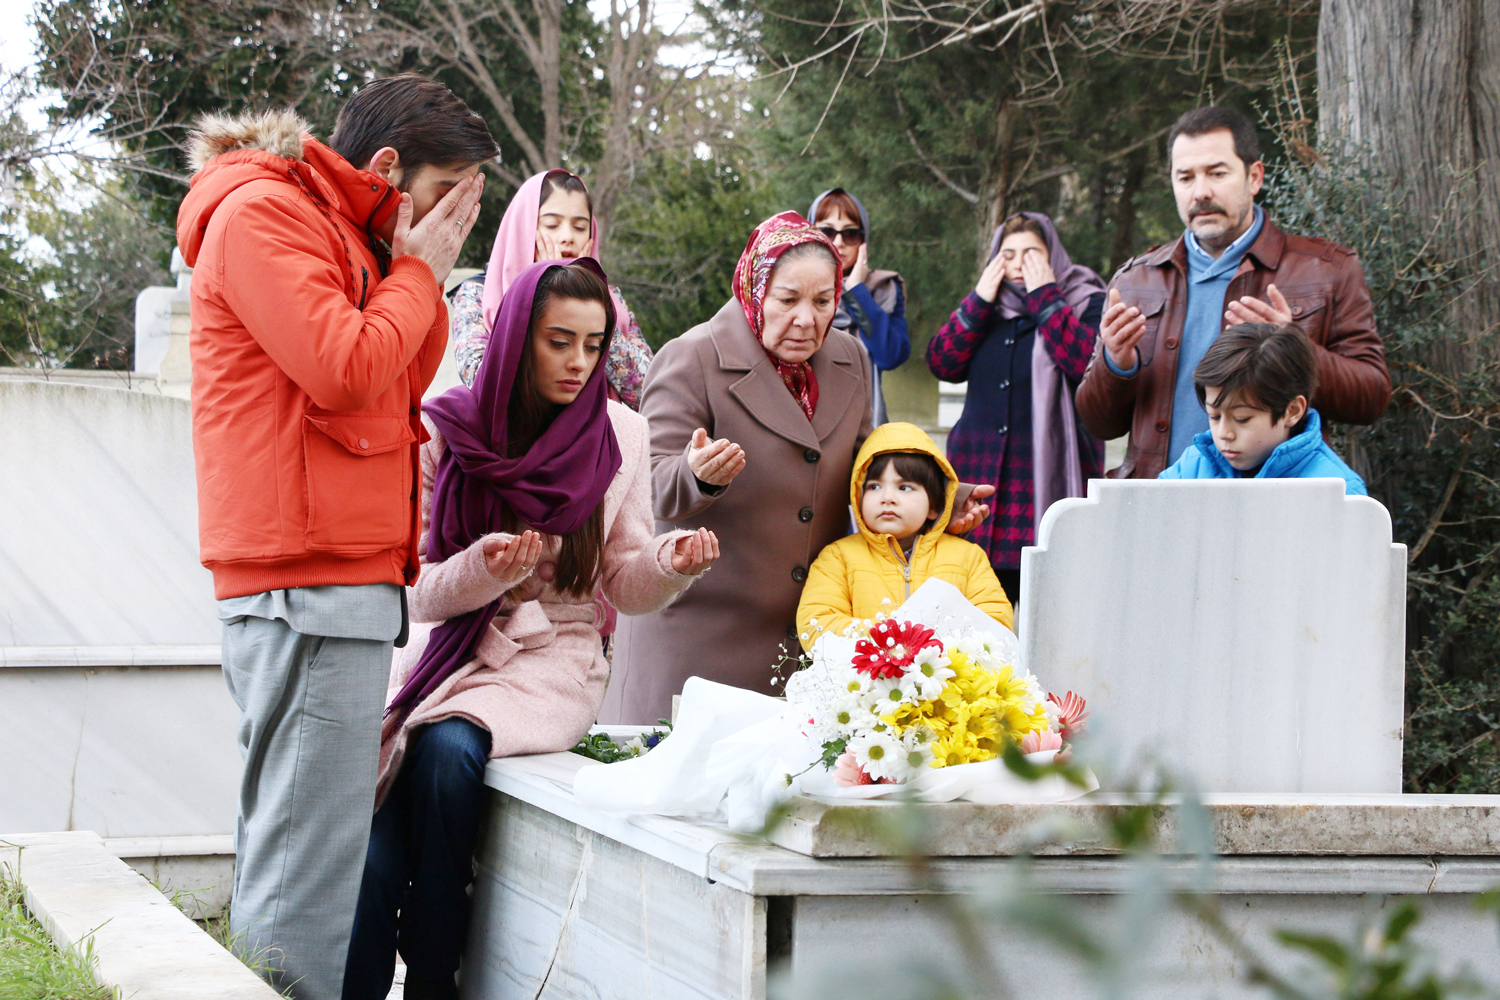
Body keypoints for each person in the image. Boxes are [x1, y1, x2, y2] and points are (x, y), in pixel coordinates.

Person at [176, 75, 496, 999]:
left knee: (296, 858)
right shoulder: (264, 215)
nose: (445, 229)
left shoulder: (339, 232)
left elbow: (407, 374)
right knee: (304, 880)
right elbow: (349, 369)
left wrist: (411, 267)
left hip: (331, 578)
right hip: (306, 582)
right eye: (442, 201)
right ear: (387, 168)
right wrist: (420, 271)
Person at [343, 259, 717, 1000]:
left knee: (449, 749)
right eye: (559, 342)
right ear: (518, 339)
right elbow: (413, 588)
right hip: (444, 647)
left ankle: (431, 970)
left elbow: (623, 580)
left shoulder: (624, 434)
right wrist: (485, 570)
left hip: (552, 657)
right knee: (374, 845)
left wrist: (669, 563)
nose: (580, 363)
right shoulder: (447, 426)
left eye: (593, 343)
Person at [601, 211, 993, 726]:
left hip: (809, 642)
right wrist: (695, 473)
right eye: (787, 300)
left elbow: (865, 466)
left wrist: (937, 495)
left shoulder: (850, 358)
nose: (806, 319)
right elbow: (648, 486)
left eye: (823, 301)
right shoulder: (692, 358)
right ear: (754, 287)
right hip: (701, 640)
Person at [1076, 105, 1391, 480]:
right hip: (1156, 506)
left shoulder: (1327, 269)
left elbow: (1371, 399)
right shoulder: (1135, 280)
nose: (1201, 192)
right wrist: (1116, 365)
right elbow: (1098, 423)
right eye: (1186, 178)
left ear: (1254, 177)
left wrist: (1296, 348)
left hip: (1270, 510)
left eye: (1217, 173)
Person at [927, 212, 1106, 606]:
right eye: (1008, 254)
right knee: (974, 603)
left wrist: (1046, 297)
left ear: (1052, 256)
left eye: (1031, 253)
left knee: (1049, 605)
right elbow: (942, 363)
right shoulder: (987, 309)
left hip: (1043, 480)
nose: (1020, 263)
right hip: (980, 477)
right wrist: (976, 302)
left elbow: (1087, 365)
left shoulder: (1085, 299)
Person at [796, 422, 1015, 647]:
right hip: (865, 679)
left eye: (905, 488)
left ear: (933, 506)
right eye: (873, 487)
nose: (887, 497)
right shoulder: (838, 557)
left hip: (946, 678)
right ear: (857, 496)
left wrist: (933, 650)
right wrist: (890, 640)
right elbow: (816, 624)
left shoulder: (968, 557)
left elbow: (996, 622)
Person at [450, 169, 654, 409]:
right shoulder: (478, 294)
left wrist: (593, 305)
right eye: (552, 225)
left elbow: (647, 388)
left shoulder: (610, 300)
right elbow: (481, 382)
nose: (567, 237)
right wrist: (543, 291)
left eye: (579, 227)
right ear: (523, 228)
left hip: (605, 438)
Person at [1160, 322, 1367, 494]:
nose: (1223, 433)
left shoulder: (1340, 491)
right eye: (1214, 416)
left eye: (1242, 419)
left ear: (1293, 410)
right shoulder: (1191, 468)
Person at [808, 188, 910, 423]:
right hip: (805, 415)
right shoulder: (791, 287)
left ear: (863, 241)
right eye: (827, 231)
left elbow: (889, 356)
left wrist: (856, 291)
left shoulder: (884, 287)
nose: (839, 242)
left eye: (850, 234)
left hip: (861, 419)